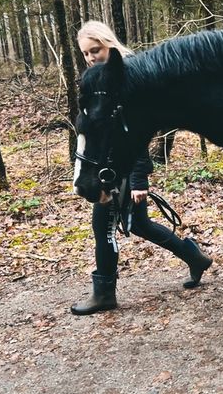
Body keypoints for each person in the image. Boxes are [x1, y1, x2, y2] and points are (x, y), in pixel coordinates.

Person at [71, 20, 213, 315]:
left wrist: (138, 180)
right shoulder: (99, 80)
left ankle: (104, 292)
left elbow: (134, 135)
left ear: (109, 42)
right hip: (110, 167)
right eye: (85, 54)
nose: (91, 58)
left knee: (103, 226)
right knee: (141, 225)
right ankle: (194, 256)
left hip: (123, 171)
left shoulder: (128, 73)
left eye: (95, 50)